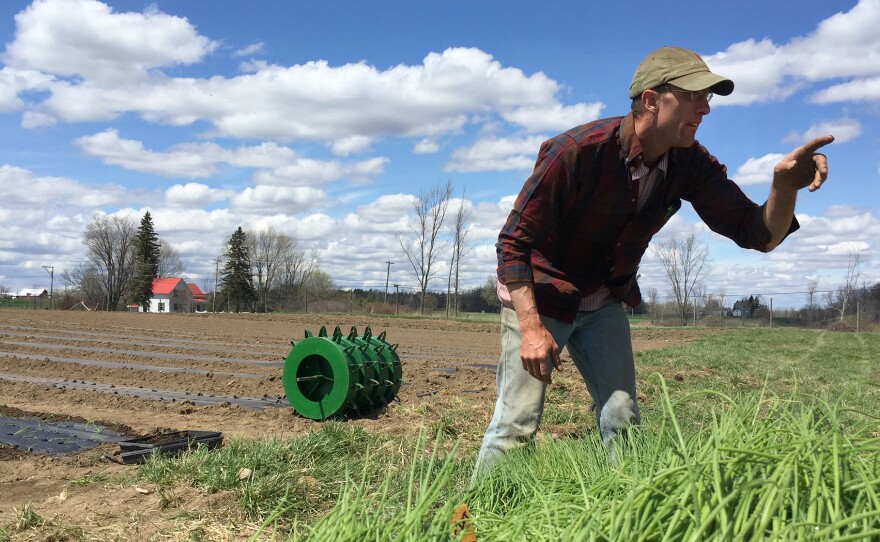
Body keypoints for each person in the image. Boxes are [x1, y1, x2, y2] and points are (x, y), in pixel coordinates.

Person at [472, 46, 833, 479]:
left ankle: (628, 511)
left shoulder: (688, 163)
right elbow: (513, 243)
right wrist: (531, 328)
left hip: (604, 297)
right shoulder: (576, 152)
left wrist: (784, 187)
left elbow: (757, 233)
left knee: (623, 417)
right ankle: (475, 518)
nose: (705, 108)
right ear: (650, 99)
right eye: (695, 95)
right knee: (517, 423)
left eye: (709, 98)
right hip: (542, 293)